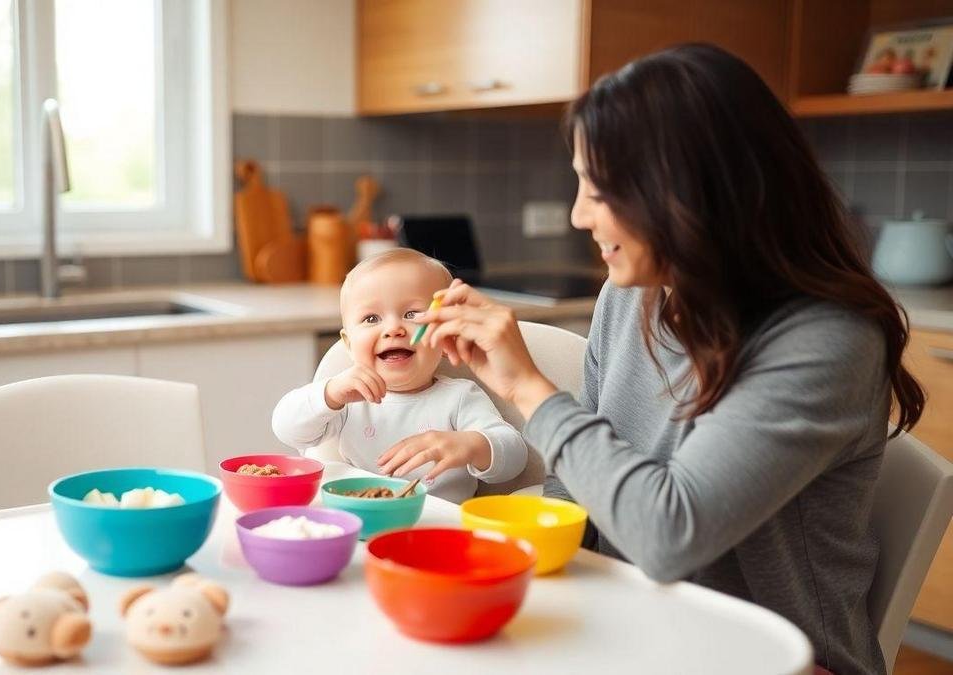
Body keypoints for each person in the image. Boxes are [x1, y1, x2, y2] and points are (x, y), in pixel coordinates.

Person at [410, 44, 924, 675]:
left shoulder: (825, 343)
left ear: (687, 194)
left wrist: (529, 391)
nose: (577, 215)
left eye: (599, 192)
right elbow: (574, 493)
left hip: (776, 658)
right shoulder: (629, 299)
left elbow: (668, 535)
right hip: (641, 627)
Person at [271, 248, 528, 503]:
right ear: (349, 345)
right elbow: (287, 430)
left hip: (439, 530)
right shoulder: (348, 400)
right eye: (372, 318)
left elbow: (515, 459)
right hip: (363, 523)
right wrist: (329, 394)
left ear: (446, 335)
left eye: (412, 314)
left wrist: (471, 445)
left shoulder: (459, 397)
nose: (393, 329)